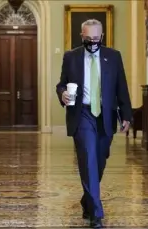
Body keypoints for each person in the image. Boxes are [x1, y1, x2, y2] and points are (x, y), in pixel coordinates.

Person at [56, 19, 132, 228]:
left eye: (96, 38)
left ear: (102, 37)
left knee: (99, 161)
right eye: (88, 39)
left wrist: (126, 115)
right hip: (82, 114)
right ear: (82, 37)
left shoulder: (113, 57)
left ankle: (86, 201)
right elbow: (61, 83)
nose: (93, 42)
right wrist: (62, 93)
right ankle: (96, 214)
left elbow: (121, 87)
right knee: (88, 157)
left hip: (105, 115)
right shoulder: (71, 57)